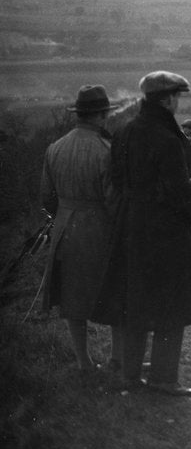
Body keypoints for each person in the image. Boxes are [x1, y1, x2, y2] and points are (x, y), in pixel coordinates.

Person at [93, 71, 191, 396]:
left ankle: (130, 376)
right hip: (165, 232)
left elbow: (116, 180)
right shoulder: (169, 138)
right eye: (177, 97)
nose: (178, 102)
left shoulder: (125, 131)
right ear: (167, 99)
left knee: (134, 303)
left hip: (130, 228)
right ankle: (163, 378)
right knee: (172, 306)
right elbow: (177, 193)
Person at [40, 85, 120, 374]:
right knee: (115, 291)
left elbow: (46, 196)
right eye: (105, 113)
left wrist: (64, 212)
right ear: (100, 115)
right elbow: (113, 199)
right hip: (99, 229)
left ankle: (83, 361)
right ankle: (117, 359)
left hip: (65, 229)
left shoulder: (55, 148)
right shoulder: (107, 150)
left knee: (72, 297)